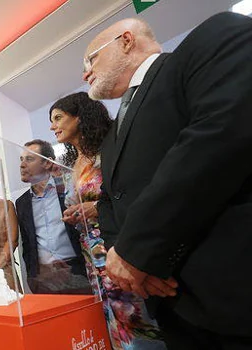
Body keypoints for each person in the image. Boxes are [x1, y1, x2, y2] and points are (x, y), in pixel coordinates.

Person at [83, 13, 252, 349]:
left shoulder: (210, 42)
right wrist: (126, 260)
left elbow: (216, 140)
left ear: (127, 41)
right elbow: (108, 199)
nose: (85, 72)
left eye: (91, 58)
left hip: (233, 288)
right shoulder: (113, 135)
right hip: (169, 304)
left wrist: (136, 252)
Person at [50, 92, 165, 349]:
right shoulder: (72, 163)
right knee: (112, 315)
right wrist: (74, 213)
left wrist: (96, 207)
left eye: (58, 118)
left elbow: (131, 193)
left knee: (135, 313)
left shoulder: (109, 151)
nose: (52, 125)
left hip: (118, 243)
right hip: (91, 252)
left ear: (79, 118)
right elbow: (78, 203)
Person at [15, 139, 91, 295]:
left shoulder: (67, 190)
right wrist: (31, 275)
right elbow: (27, 243)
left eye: (29, 159)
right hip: (43, 279)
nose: (22, 165)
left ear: (48, 163)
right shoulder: (21, 203)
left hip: (77, 273)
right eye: (21, 159)